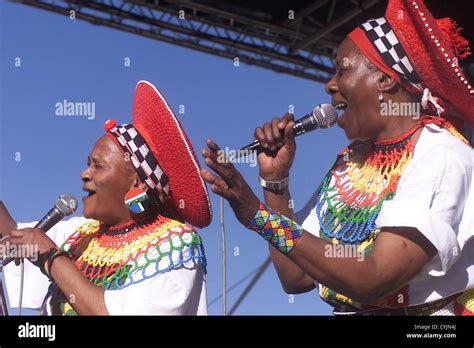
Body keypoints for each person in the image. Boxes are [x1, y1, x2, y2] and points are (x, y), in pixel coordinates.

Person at [200, 0, 473, 315]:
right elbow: (296, 276)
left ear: (385, 79)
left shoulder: (440, 155)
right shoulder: (349, 165)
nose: (329, 85)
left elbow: (374, 277)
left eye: (342, 70)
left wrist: (257, 216)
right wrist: (275, 184)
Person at [1, 80, 212, 315]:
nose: (84, 174)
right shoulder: (82, 234)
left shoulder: (176, 243)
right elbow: (10, 233)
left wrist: (52, 257)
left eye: (97, 166)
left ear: (137, 182)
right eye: (87, 165)